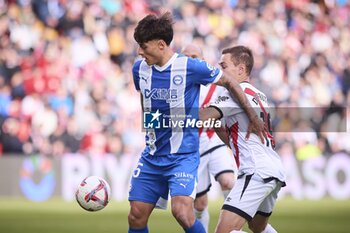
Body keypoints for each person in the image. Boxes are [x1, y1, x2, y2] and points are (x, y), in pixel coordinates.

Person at [129, 12, 266, 233]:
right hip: (152, 156)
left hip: (182, 156)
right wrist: (150, 124)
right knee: (136, 215)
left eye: (144, 46)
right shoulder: (139, 69)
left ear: (161, 45)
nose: (139, 52)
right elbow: (147, 101)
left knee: (182, 211)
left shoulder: (191, 67)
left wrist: (252, 116)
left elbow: (230, 81)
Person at [199, 45, 286, 233]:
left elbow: (201, 118)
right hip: (273, 168)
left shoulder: (234, 93)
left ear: (240, 69)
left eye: (224, 66)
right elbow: (232, 138)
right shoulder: (258, 94)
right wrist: (216, 124)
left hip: (256, 170)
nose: (220, 71)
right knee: (257, 226)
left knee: (224, 231)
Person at [181, 44, 238, 233]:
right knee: (199, 203)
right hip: (191, 150)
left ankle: (233, 225)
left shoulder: (216, 83)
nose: (190, 60)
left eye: (195, 56)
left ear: (203, 60)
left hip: (214, 142)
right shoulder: (175, 86)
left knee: (229, 181)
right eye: (186, 56)